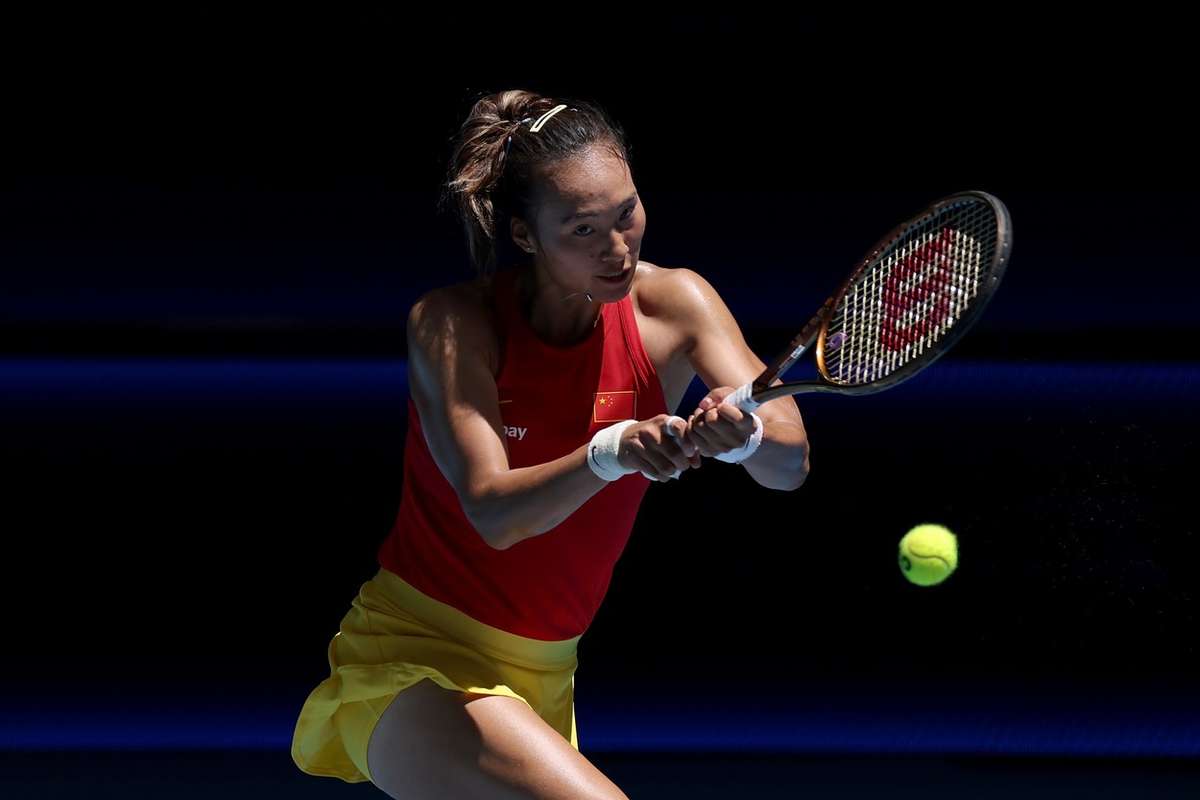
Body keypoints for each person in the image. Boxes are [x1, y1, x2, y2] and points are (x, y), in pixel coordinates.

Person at [291, 89, 810, 799]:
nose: (618, 247)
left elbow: (790, 464)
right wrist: (615, 449)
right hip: (414, 659)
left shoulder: (676, 304)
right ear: (527, 236)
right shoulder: (452, 326)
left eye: (626, 211)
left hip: (549, 680)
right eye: (583, 230)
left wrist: (745, 435)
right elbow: (494, 513)